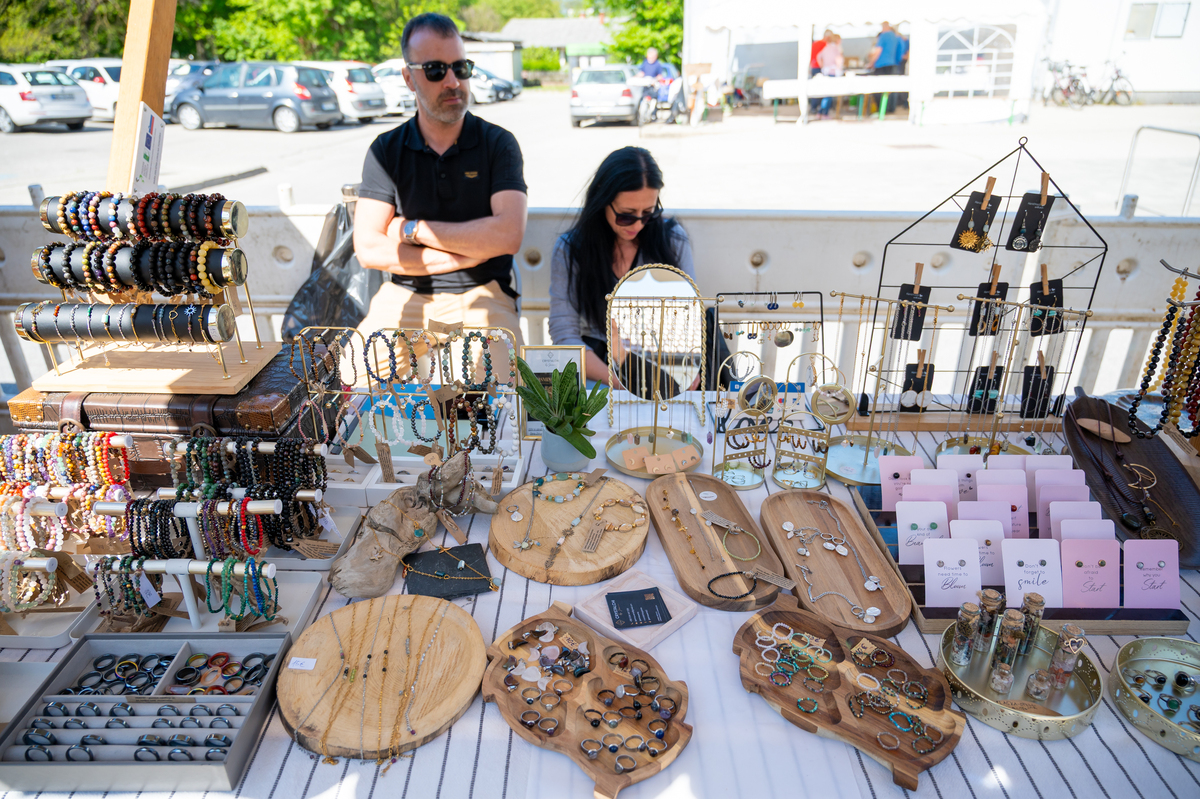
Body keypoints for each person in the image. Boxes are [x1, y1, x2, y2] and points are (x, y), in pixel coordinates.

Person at [353, 12, 528, 359]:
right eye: (435, 70)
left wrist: (411, 229)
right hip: (404, 295)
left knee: (502, 387)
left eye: (461, 68)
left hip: (483, 293)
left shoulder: (498, 143)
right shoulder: (386, 150)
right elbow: (369, 248)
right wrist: (467, 253)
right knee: (353, 374)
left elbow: (508, 235)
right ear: (409, 77)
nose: (453, 81)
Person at [548, 147, 694, 394]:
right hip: (598, 370)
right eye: (626, 215)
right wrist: (625, 383)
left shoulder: (672, 240)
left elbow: (688, 319)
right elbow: (565, 336)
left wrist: (686, 369)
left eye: (648, 214)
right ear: (602, 200)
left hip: (661, 367)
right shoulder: (571, 249)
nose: (638, 224)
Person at [867, 21, 905, 115]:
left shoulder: (883, 36)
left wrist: (871, 63)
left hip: (882, 66)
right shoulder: (895, 37)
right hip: (893, 65)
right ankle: (890, 109)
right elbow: (900, 51)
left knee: (878, 89)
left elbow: (878, 51)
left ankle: (881, 110)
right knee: (890, 89)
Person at [816, 33, 844, 117]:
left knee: (826, 94)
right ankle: (825, 113)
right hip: (833, 72)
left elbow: (818, 56)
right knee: (829, 95)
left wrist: (823, 66)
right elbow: (838, 60)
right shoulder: (836, 48)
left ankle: (820, 112)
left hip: (826, 72)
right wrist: (839, 69)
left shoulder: (826, 48)